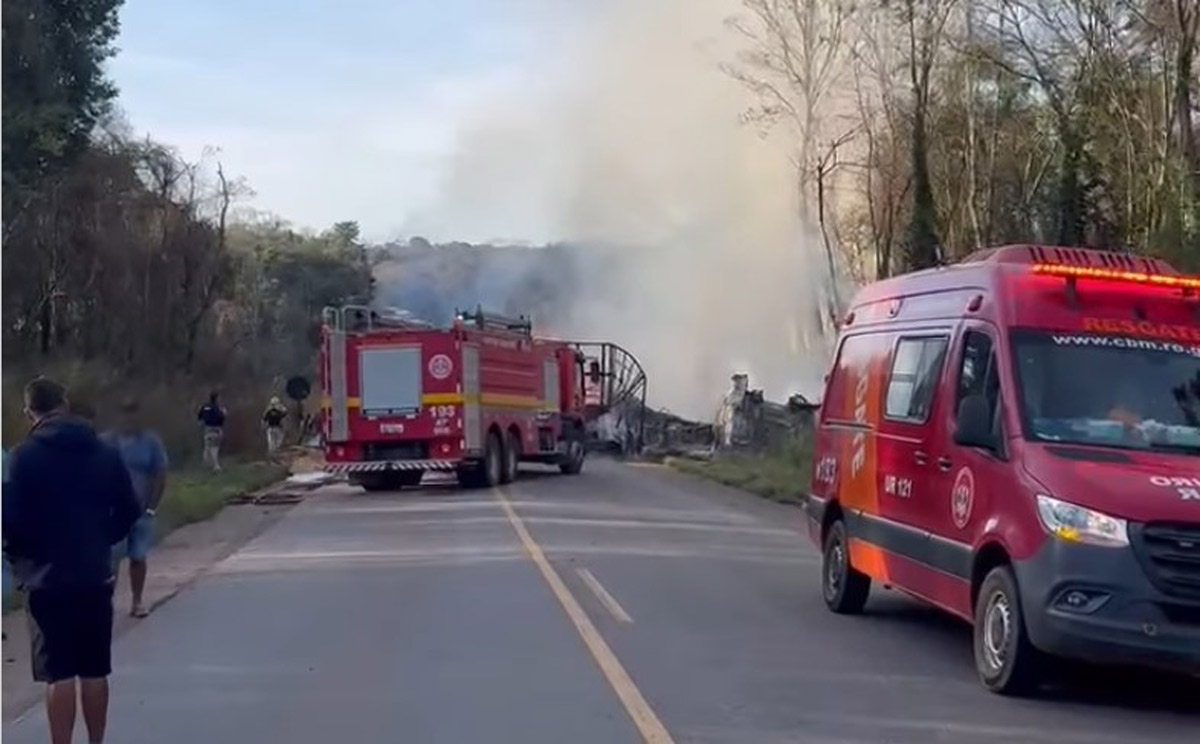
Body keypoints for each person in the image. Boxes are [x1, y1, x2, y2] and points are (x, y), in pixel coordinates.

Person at [2, 377, 140, 744]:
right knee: (94, 670)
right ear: (64, 405)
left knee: (58, 675)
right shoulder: (104, 452)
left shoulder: (22, 457)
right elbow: (129, 508)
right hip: (93, 573)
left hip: (45, 579)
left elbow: (8, 521)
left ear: (30, 411)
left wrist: (21, 561)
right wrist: (102, 539)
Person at [105, 398, 169, 618]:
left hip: (141, 510)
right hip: (112, 511)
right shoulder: (106, 442)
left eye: (133, 414)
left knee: (138, 556)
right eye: (124, 414)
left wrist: (152, 506)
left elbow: (160, 474)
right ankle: (106, 604)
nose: (129, 419)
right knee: (110, 560)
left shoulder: (150, 442)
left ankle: (137, 601)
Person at [196, 391, 227, 472]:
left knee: (207, 447)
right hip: (216, 429)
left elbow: (199, 416)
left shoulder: (205, 406)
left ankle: (206, 465)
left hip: (207, 429)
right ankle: (216, 466)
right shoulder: (218, 408)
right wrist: (224, 414)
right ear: (217, 398)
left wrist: (201, 424)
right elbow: (222, 418)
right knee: (214, 448)